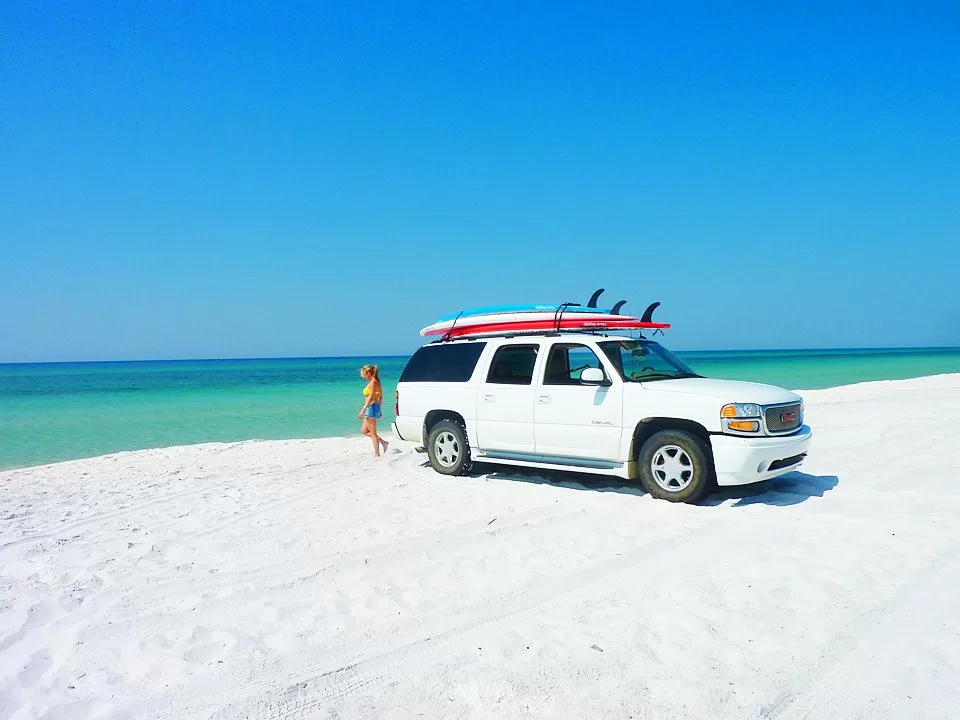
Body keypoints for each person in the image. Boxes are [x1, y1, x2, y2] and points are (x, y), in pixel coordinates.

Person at [358, 364, 389, 456]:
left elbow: (371, 397)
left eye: (364, 374)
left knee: (373, 433)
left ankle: (377, 454)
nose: (364, 376)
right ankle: (384, 443)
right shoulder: (376, 382)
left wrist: (363, 409)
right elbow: (380, 397)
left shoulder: (373, 382)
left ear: (368, 373)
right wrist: (379, 409)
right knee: (364, 431)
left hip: (371, 407)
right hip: (374, 407)